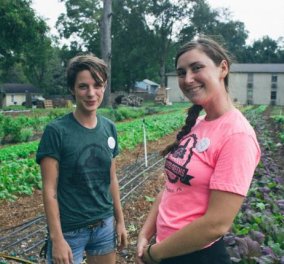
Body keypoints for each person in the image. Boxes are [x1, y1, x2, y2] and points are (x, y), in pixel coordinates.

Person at [136, 36, 261, 264]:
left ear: (223, 68)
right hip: (167, 250)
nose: (188, 79)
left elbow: (216, 224)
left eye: (197, 68)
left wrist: (154, 254)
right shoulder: (199, 123)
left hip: (196, 256)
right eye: (182, 72)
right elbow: (172, 187)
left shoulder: (237, 135)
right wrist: (145, 233)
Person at [36, 54, 128, 264]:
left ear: (104, 87)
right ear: (72, 89)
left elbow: (111, 179)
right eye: (83, 86)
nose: (91, 93)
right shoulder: (56, 131)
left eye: (97, 85)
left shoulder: (109, 128)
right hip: (69, 231)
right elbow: (49, 190)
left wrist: (120, 221)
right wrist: (56, 238)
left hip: (104, 225)